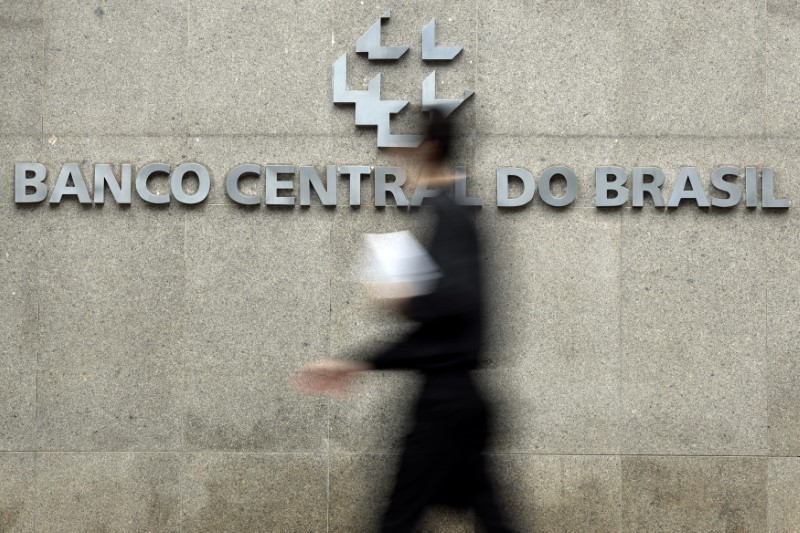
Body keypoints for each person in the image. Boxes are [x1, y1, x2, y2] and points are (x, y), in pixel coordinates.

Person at [293, 110, 514, 533]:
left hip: (445, 404)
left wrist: (406, 299)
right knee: (488, 518)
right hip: (458, 399)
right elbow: (449, 322)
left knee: (398, 520)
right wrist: (359, 362)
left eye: (409, 149)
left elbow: (457, 304)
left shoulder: (449, 213)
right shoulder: (452, 213)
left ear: (428, 149)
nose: (402, 161)